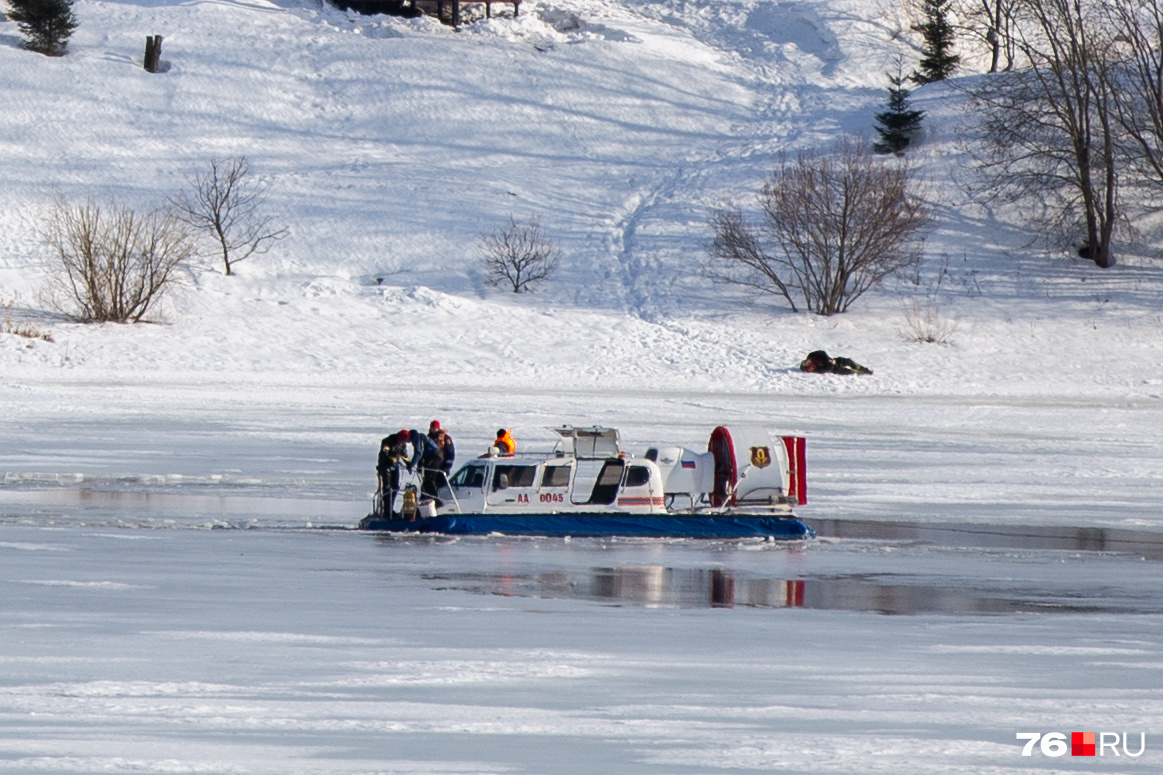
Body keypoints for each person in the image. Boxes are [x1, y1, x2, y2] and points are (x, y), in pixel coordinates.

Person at [799, 350, 873, 376]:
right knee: (850, 372)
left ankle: (866, 370)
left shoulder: (811, 355)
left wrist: (828, 360)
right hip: (835, 369)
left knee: (849, 361)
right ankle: (862, 373)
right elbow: (826, 369)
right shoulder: (815, 369)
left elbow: (822, 352)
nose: (807, 362)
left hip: (835, 360)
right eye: (806, 364)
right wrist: (831, 364)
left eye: (805, 362)